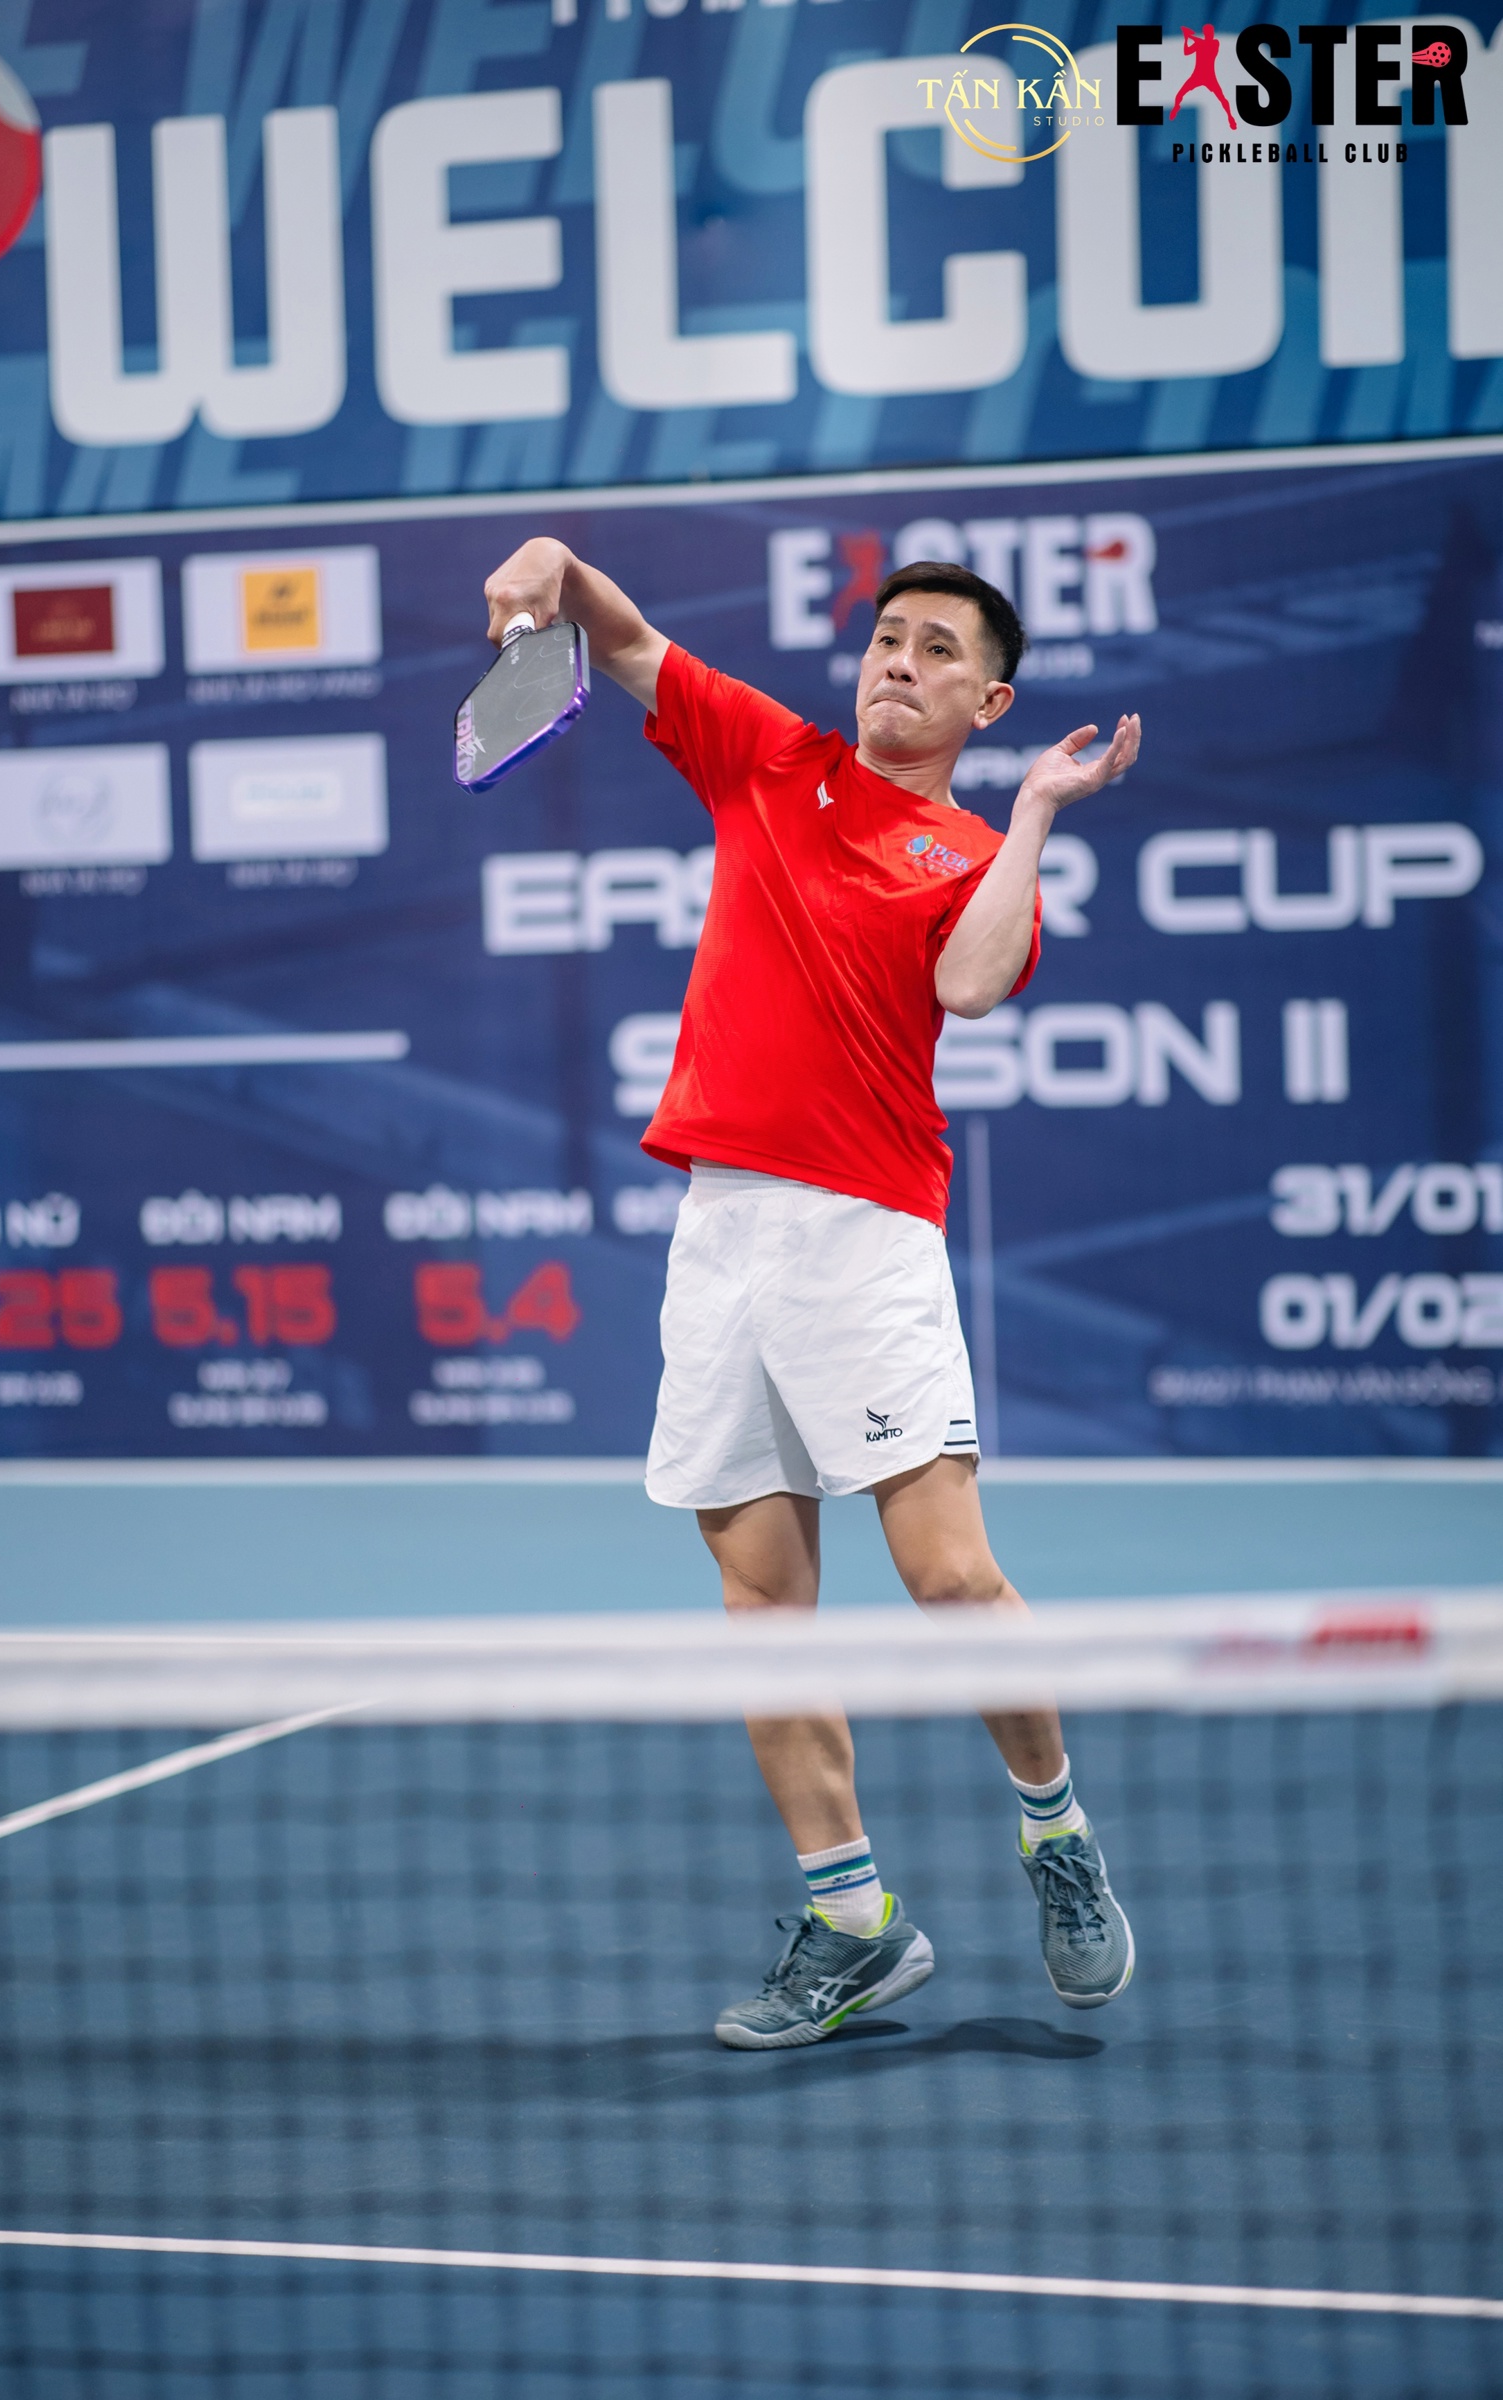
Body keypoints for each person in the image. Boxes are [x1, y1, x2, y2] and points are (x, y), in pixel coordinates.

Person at [481, 537, 1142, 2049]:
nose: (898, 662)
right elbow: (626, 638)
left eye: (937, 650)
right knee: (763, 1599)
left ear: (989, 702)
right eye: (887, 637)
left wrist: (1036, 813)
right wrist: (552, 568)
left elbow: (969, 987)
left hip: (864, 1235)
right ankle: (855, 1921)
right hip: (721, 1233)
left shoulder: (973, 858)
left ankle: (1055, 1832)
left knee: (950, 1577)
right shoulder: (770, 760)